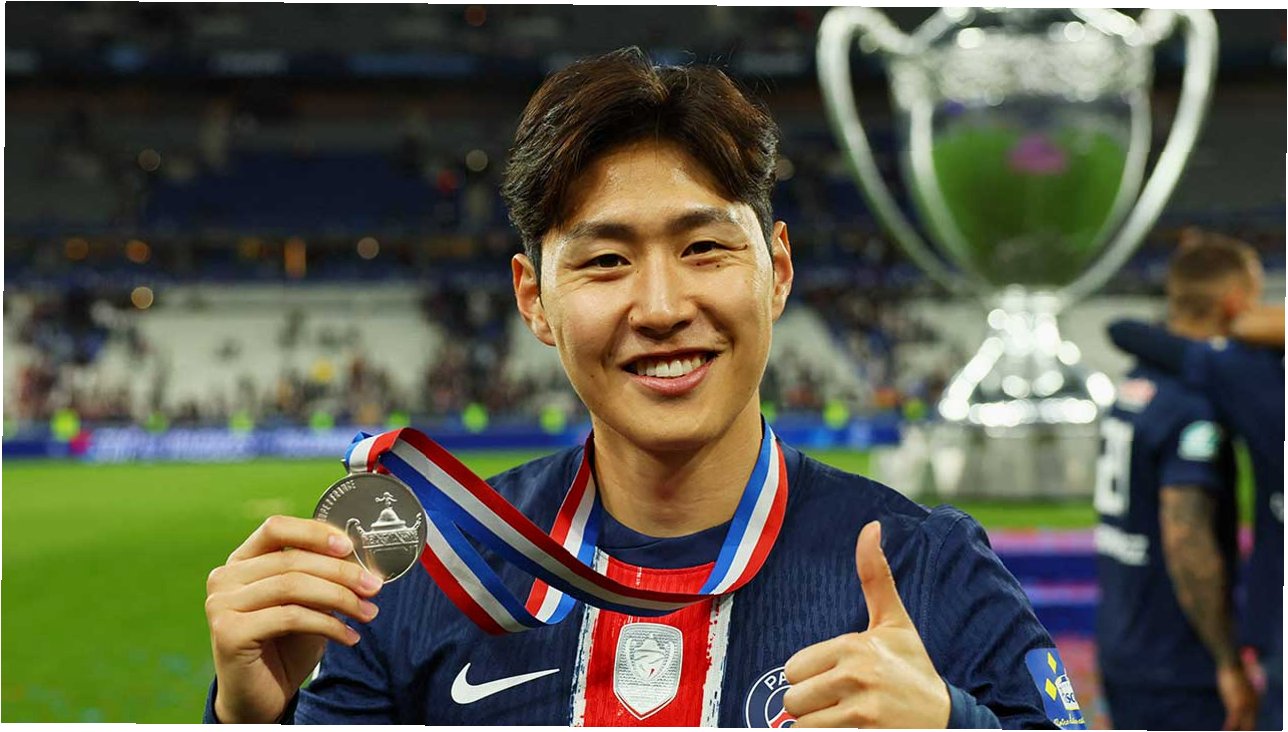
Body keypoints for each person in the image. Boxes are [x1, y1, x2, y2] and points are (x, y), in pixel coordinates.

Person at [203, 48, 1084, 728]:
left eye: (704, 248)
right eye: (606, 261)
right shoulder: (428, 578)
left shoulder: (925, 568)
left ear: (777, 271)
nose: (661, 308)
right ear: (533, 300)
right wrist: (249, 718)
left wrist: (952, 723)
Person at [1108, 230, 1283, 732]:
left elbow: (1124, 329)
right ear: (1234, 300)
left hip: (1136, 638)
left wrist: (1228, 661)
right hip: (1174, 656)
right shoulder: (1244, 383)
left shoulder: (1156, 383)